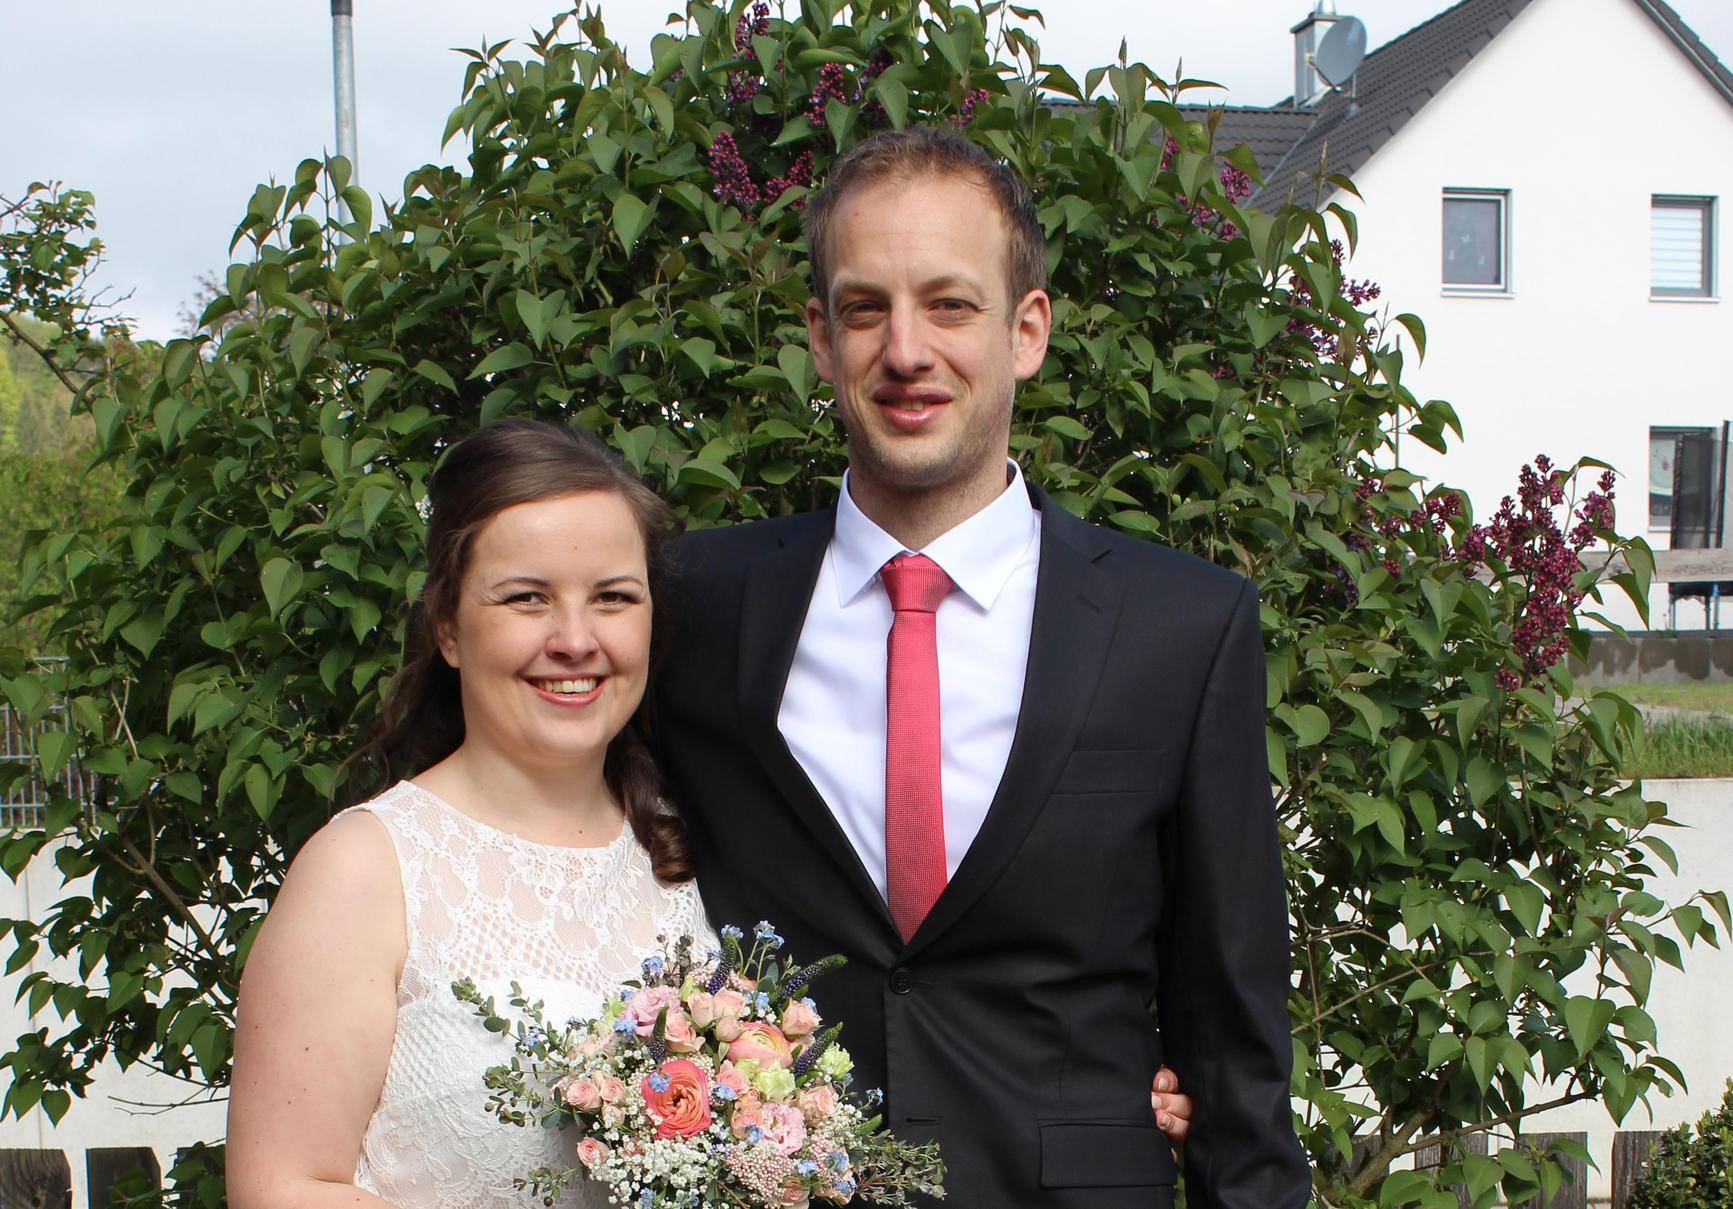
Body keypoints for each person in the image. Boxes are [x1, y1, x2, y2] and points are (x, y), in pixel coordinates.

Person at [654, 127, 1309, 1206]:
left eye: (950, 305)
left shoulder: (1179, 626)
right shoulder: (695, 604)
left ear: (1026, 329)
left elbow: (1233, 1036)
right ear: (819, 338)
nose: (906, 350)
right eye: (864, 309)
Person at [226, 421, 713, 1209]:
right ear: (447, 626)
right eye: (527, 598)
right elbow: (279, 1188)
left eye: (613, 597)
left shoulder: (694, 843)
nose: (576, 639)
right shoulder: (366, 868)